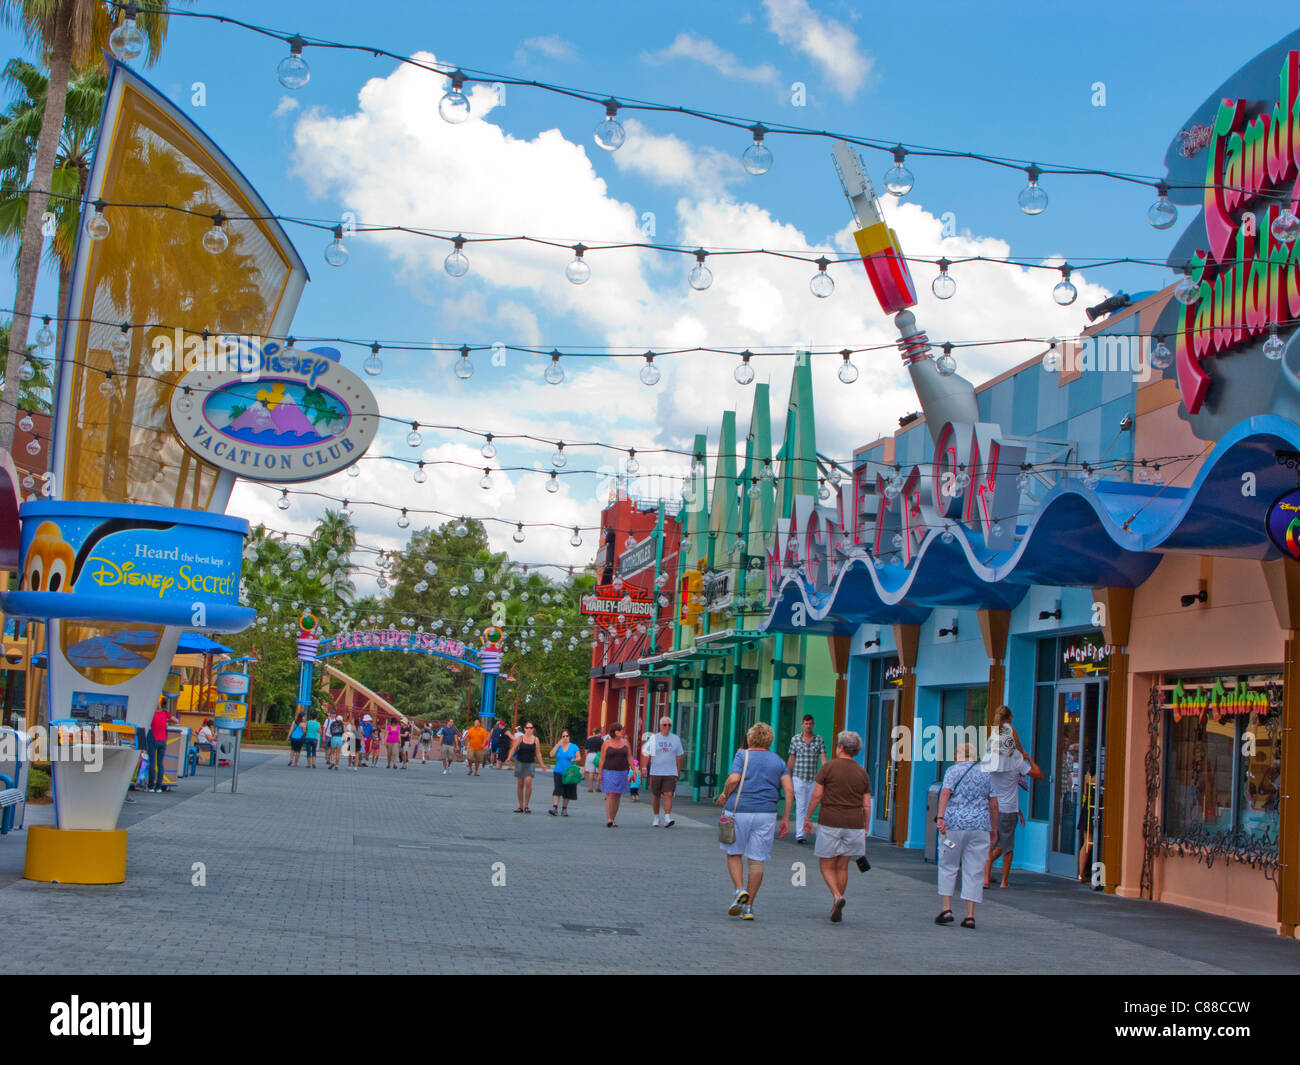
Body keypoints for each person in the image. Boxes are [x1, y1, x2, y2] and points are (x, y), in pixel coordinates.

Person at [714, 722, 793, 920]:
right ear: (770, 740)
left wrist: (724, 793)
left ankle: (740, 890)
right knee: (757, 860)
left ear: (750, 739)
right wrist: (785, 818)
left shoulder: (743, 755)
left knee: (734, 853)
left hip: (739, 811)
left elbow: (734, 779)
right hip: (766, 813)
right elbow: (789, 790)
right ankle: (749, 907)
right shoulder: (778, 761)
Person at [803, 731, 872, 923]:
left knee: (826, 865)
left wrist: (807, 817)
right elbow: (866, 804)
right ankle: (836, 904)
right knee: (842, 866)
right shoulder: (862, 772)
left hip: (830, 821)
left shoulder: (828, 768)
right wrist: (866, 826)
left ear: (840, 747)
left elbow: (817, 795)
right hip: (854, 823)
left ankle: (836, 896)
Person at [935, 743, 999, 930]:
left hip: (953, 827)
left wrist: (940, 817)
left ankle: (947, 909)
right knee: (975, 869)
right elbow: (994, 803)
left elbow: (945, 793)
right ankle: (970, 915)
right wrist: (993, 827)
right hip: (979, 828)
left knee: (948, 865)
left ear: (958, 756)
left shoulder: (953, 771)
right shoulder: (986, 773)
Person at [981, 709, 1041, 888]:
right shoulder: (1015, 761)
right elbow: (1038, 774)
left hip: (991, 808)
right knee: (1007, 847)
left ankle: (984, 877)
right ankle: (1004, 881)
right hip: (1008, 809)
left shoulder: (989, 758)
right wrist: (1027, 756)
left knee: (991, 843)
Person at [787, 715, 828, 844]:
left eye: (810, 724)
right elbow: (792, 758)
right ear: (802, 724)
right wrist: (787, 775)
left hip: (813, 777)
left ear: (813, 724)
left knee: (811, 804)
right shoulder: (795, 739)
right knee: (801, 805)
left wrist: (825, 774)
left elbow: (823, 758)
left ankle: (806, 827)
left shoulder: (819, 739)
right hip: (798, 776)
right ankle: (800, 833)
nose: (808, 726)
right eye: (806, 724)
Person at [647, 716, 684, 828]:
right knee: (656, 795)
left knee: (668, 794)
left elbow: (678, 756)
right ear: (660, 726)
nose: (667, 727)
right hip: (656, 771)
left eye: (669, 725)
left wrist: (678, 771)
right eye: (665, 725)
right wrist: (644, 768)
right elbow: (648, 754)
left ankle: (667, 817)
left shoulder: (675, 739)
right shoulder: (654, 739)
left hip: (670, 771)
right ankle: (656, 816)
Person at [507, 722, 546, 812]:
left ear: (533, 729)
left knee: (528, 783)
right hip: (520, 762)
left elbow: (538, 753)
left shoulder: (536, 739)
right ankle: (520, 806)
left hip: (530, 763)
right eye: (527, 728)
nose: (529, 729)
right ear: (524, 729)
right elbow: (513, 748)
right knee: (520, 784)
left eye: (531, 728)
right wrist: (509, 758)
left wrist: (542, 764)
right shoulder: (520, 738)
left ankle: (526, 805)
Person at [599, 723, 632, 827]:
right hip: (608, 771)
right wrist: (600, 773)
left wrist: (634, 770)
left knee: (617, 795)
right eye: (620, 730)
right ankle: (609, 818)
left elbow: (630, 757)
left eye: (622, 730)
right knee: (610, 794)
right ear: (614, 732)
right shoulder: (607, 743)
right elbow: (602, 759)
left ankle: (613, 818)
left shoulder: (626, 742)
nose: (622, 731)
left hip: (622, 771)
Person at [146, 698, 176, 792]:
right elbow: (176, 720)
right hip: (162, 740)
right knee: (160, 764)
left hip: (153, 739)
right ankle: (158, 787)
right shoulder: (165, 713)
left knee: (152, 763)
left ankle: (151, 786)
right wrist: (166, 721)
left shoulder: (150, 714)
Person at [549, 729, 581, 816]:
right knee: (557, 789)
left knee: (567, 791)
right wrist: (557, 745)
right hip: (558, 771)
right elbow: (551, 755)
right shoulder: (558, 746)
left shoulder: (574, 746)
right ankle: (555, 808)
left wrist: (575, 759)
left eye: (567, 736)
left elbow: (579, 757)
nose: (565, 738)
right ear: (561, 737)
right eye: (563, 736)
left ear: (569, 737)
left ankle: (564, 809)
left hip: (570, 773)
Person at [584, 726, 604, 792]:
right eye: (601, 733)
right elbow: (603, 750)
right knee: (598, 772)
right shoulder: (601, 740)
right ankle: (598, 787)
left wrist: (587, 756)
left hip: (590, 755)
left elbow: (586, 749)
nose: (602, 734)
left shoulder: (589, 739)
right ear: (599, 733)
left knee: (591, 772)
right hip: (598, 756)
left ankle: (590, 788)